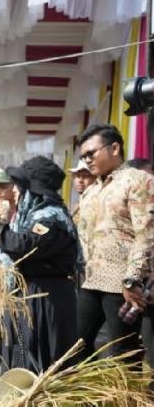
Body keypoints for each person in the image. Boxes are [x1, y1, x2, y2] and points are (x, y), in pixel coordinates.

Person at [0, 156, 80, 374]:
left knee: (42, 361)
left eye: (20, 186)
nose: (15, 191)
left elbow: (24, 246)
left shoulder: (51, 218)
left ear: (33, 190)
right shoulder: (32, 216)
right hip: (31, 294)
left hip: (47, 298)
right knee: (23, 356)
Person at [75, 125, 154, 371]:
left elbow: (147, 232)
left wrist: (132, 279)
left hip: (122, 284)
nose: (87, 160)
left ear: (115, 148)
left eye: (91, 153)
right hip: (91, 281)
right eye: (83, 156)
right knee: (75, 347)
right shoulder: (91, 191)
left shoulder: (138, 180)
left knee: (123, 355)